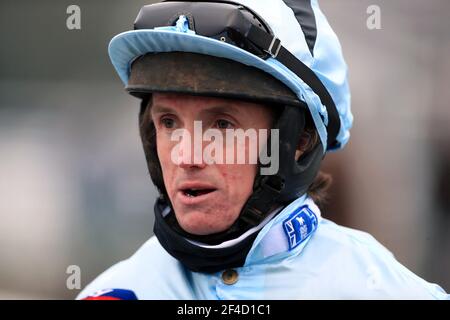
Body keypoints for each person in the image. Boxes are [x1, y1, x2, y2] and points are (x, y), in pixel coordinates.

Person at [77, 0, 449, 299]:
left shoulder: (387, 291)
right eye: (169, 122)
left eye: (222, 125)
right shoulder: (115, 293)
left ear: (298, 140)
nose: (185, 156)